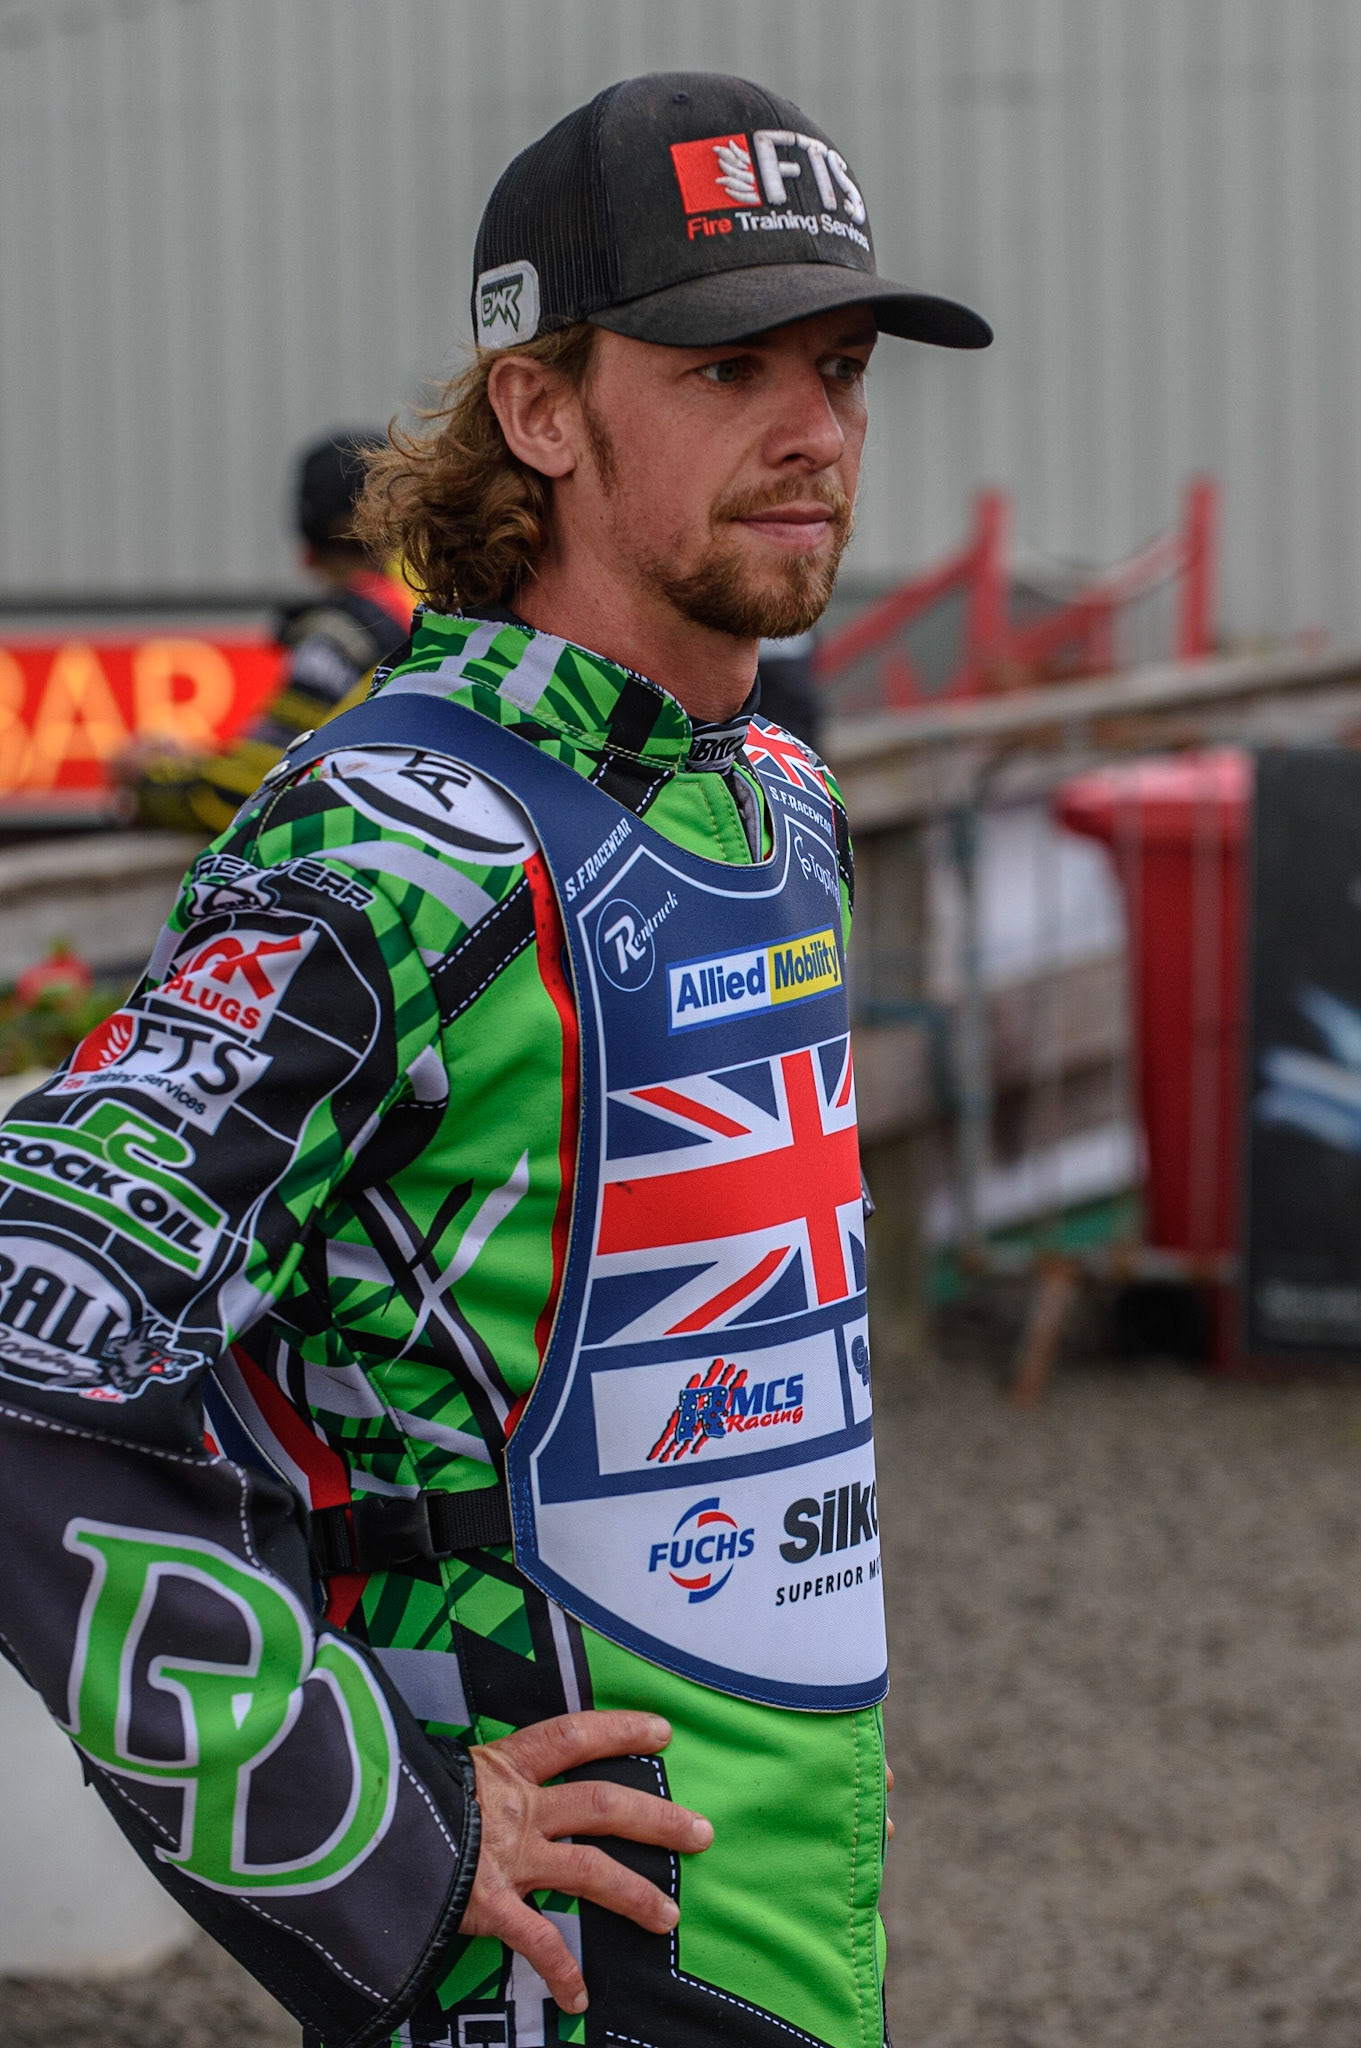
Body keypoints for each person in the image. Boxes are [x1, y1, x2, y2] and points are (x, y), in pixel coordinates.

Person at [0, 72, 989, 2048]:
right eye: (726, 370)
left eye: (845, 361)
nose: (817, 432)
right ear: (538, 406)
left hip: (797, 1903)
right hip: (554, 1957)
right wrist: (368, 1825)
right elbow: (31, 1337)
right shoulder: (394, 834)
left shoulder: (775, 796)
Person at [118, 431, 412, 836]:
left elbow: (248, 792)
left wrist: (148, 776)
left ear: (309, 551)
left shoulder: (346, 631)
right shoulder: (442, 602)